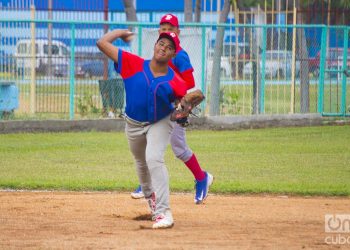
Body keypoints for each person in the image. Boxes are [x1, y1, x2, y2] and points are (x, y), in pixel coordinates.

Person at [97, 29, 187, 229]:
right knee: (141, 162)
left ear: (174, 54)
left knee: (154, 158)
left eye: (169, 47)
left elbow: (182, 106)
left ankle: (164, 212)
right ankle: (151, 200)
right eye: (161, 43)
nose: (164, 48)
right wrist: (119, 32)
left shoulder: (176, 81)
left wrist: (184, 109)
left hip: (160, 121)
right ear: (155, 45)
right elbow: (102, 43)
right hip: (133, 123)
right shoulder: (133, 63)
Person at [131, 13, 214, 204]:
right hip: (160, 107)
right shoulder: (160, 53)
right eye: (163, 29)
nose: (166, 32)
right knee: (149, 140)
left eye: (170, 29)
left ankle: (202, 178)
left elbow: (190, 82)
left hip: (175, 107)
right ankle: (147, 183)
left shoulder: (180, 55)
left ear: (178, 32)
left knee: (179, 148)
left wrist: (180, 103)